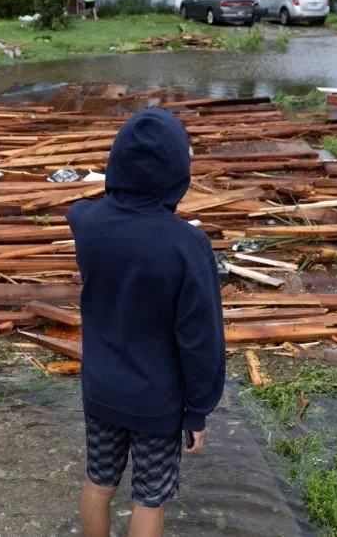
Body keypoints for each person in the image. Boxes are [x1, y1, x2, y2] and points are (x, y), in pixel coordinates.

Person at [67, 108, 225, 537]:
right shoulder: (187, 246)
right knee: (149, 497)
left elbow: (81, 208)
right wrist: (198, 410)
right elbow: (200, 338)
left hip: (100, 386)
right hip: (157, 398)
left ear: (116, 163)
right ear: (178, 174)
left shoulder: (86, 222)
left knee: (99, 481)